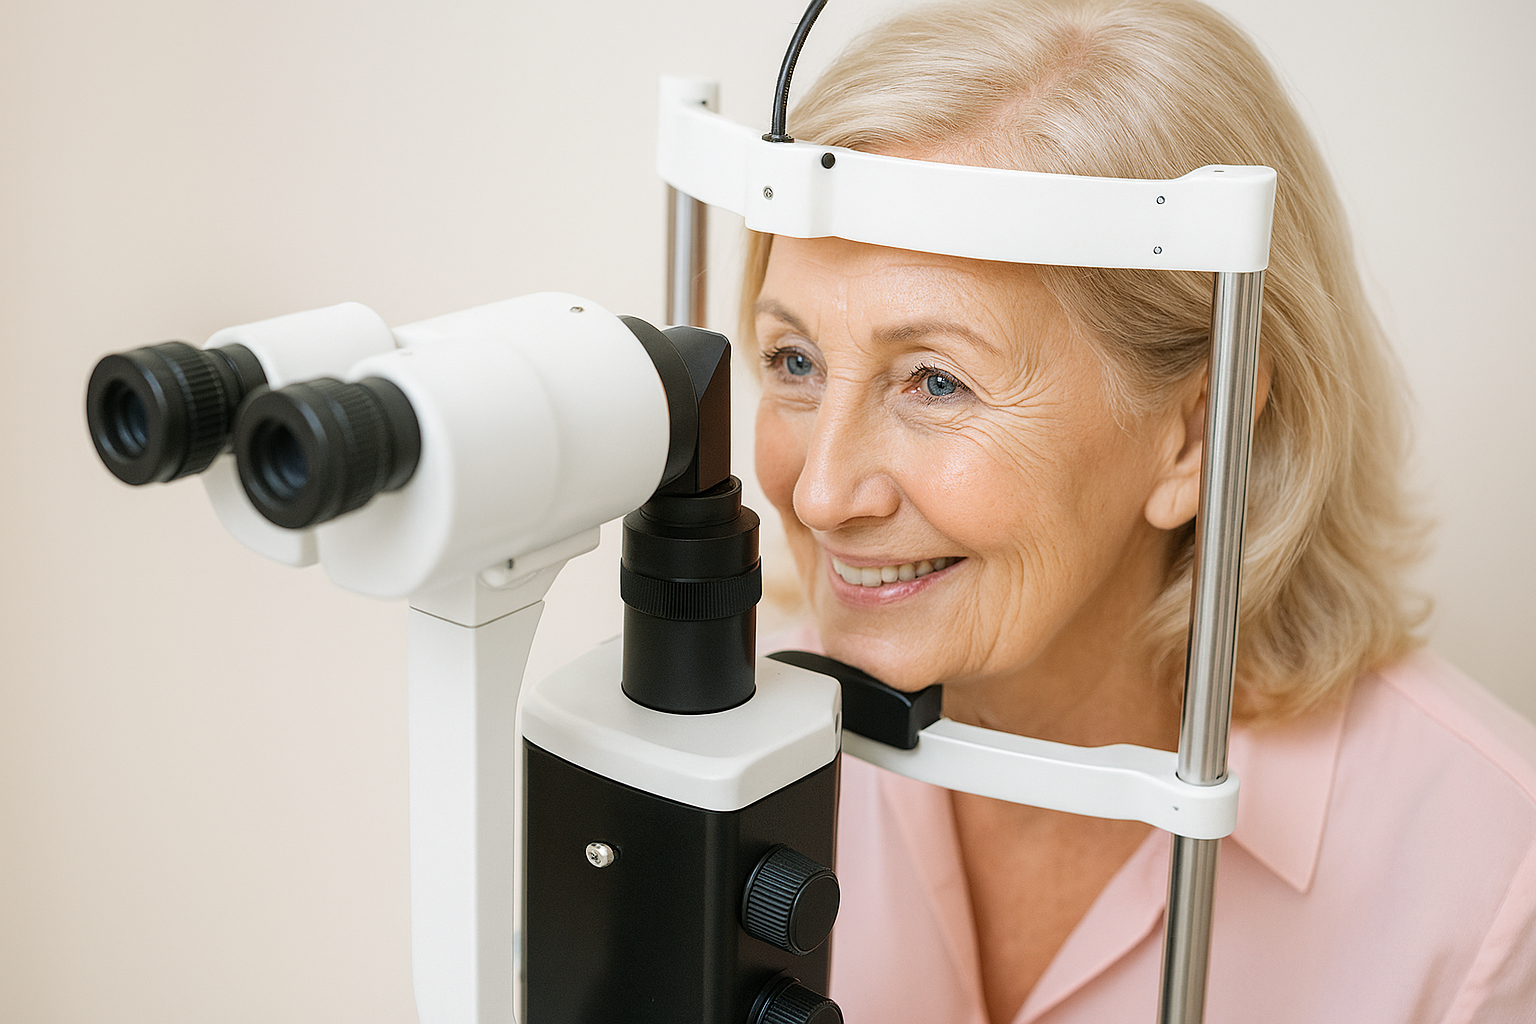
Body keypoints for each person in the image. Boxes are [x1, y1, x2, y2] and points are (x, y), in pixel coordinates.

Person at [741, 1, 1536, 1021]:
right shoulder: (734, 752)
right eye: (795, 361)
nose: (819, 492)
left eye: (934, 383)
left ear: (1195, 437)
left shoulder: (1488, 882)